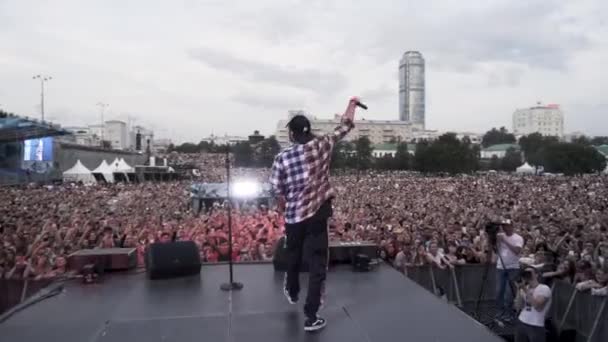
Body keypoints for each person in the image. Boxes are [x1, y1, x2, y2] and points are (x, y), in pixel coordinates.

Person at [269, 104, 356, 332]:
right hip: (318, 214)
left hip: (294, 217)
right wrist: (351, 105)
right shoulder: (323, 144)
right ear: (309, 130)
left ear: (291, 134)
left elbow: (277, 191)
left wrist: (284, 208)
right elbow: (344, 126)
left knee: (293, 255)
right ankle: (311, 316)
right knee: (318, 264)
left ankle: (292, 289)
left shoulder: (282, 157)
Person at [496, 219, 524, 321]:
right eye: (503, 226)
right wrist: (498, 241)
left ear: (512, 226)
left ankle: (509, 314)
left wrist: (505, 240)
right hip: (500, 267)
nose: (505, 227)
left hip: (513, 267)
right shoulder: (500, 236)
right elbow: (497, 250)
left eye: (507, 225)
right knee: (499, 291)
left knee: (509, 293)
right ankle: (500, 313)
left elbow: (517, 251)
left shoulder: (518, 238)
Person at [514, 267, 552, 342]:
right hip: (522, 321)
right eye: (525, 273)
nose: (527, 275)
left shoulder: (544, 288)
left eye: (529, 273)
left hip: (536, 324)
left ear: (536, 275)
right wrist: (519, 289)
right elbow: (517, 306)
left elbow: (538, 306)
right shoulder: (525, 288)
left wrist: (525, 289)